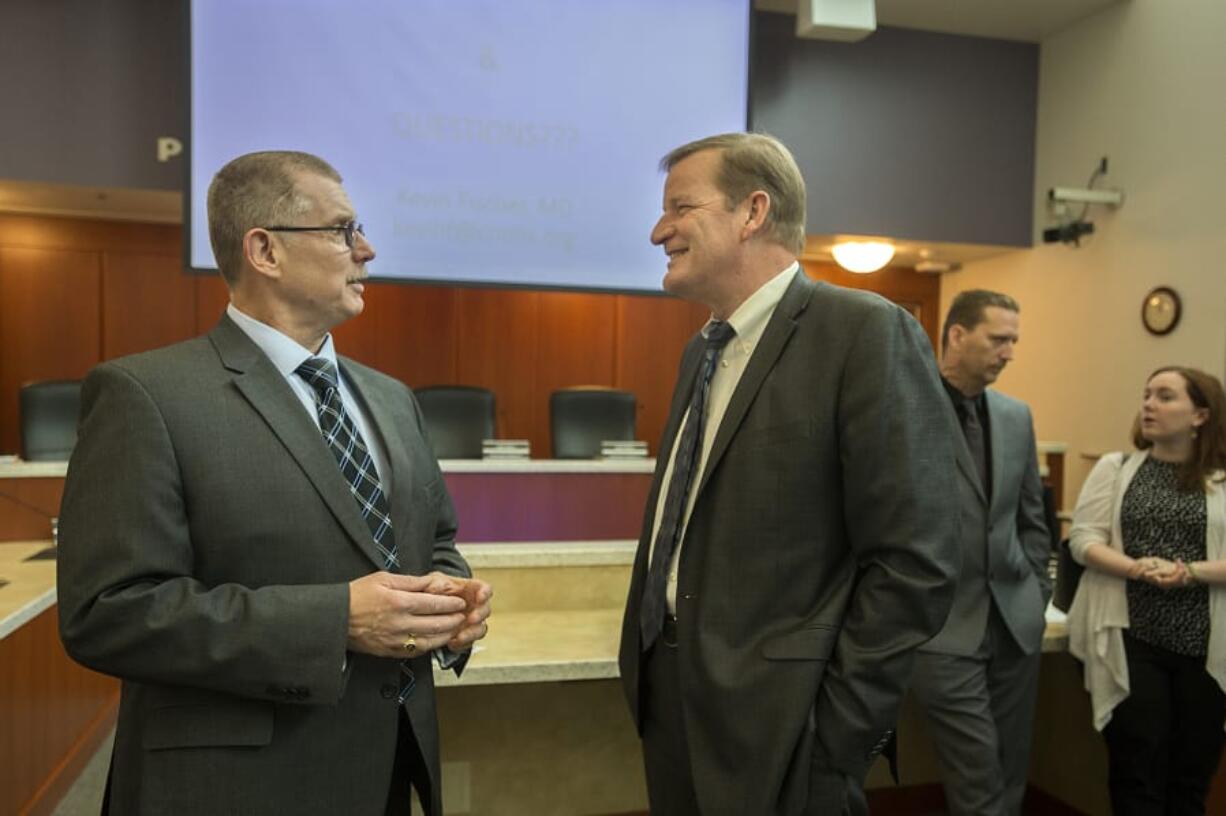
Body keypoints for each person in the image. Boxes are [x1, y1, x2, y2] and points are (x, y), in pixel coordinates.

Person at [56, 150, 491, 816]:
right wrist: (335, 621)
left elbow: (433, 543)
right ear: (265, 250)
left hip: (385, 771)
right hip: (234, 787)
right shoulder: (145, 395)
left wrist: (449, 608)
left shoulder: (392, 397)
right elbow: (106, 615)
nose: (367, 250)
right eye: (345, 230)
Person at [616, 131, 960, 815]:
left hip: (790, 723)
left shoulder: (863, 332)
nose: (660, 231)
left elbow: (915, 562)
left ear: (752, 212)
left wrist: (837, 729)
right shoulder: (701, 352)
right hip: (673, 698)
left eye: (681, 208)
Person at [908, 289, 1052, 816]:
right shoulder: (904, 403)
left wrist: (1036, 593)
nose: (1009, 352)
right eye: (999, 339)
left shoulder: (1016, 416)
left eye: (1013, 340)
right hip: (941, 626)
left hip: (1014, 621)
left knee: (1012, 768)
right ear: (956, 335)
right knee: (978, 772)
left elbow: (1032, 518)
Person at [1068, 366, 1226, 815]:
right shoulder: (1116, 469)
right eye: (1147, 395)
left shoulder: (1222, 479)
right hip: (1133, 639)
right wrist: (1137, 569)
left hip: (1207, 650)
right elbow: (1084, 539)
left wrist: (1189, 572)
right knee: (1136, 769)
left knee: (1191, 775)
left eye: (1165, 396)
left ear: (1200, 415)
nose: (1149, 405)